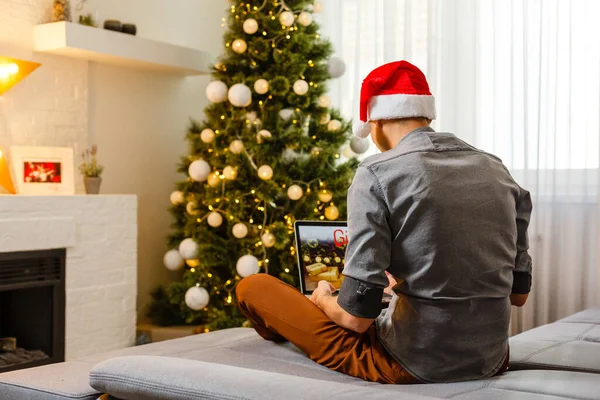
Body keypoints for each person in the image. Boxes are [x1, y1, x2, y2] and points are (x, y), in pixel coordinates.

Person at [236, 60, 533, 384]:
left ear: (374, 123)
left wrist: (322, 299)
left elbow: (357, 319)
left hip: (412, 362)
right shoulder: (496, 169)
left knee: (253, 286)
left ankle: (287, 336)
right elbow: (518, 296)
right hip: (493, 359)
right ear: (427, 116)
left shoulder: (377, 173)